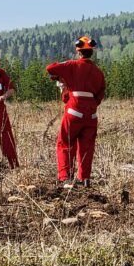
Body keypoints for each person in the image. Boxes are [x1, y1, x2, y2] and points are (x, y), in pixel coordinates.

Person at [46, 36, 106, 188]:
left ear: (78, 52)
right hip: (91, 115)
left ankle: (65, 178)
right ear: (91, 51)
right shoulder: (98, 72)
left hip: (74, 112)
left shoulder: (73, 65)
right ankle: (85, 179)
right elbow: (99, 95)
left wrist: (64, 73)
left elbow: (50, 68)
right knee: (87, 147)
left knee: (65, 143)